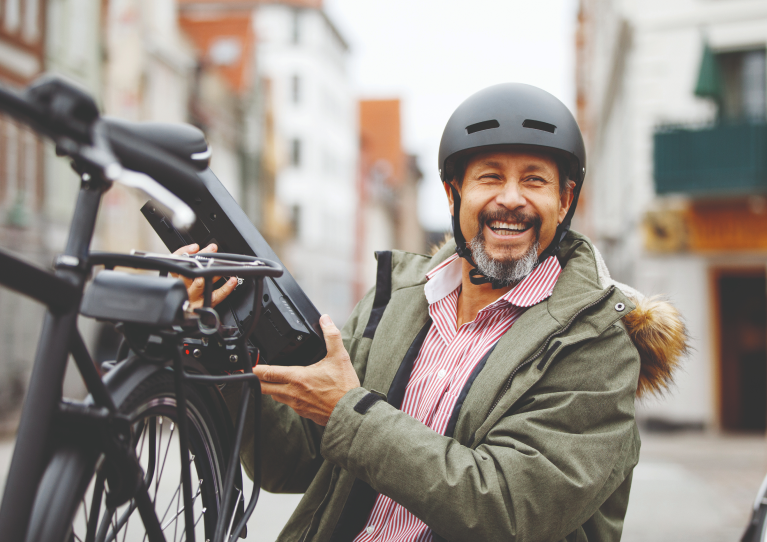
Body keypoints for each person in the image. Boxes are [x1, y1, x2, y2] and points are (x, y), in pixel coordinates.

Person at [177, 83, 687, 542]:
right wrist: (224, 343)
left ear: (565, 198)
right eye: (490, 177)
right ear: (453, 192)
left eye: (534, 180)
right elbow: (291, 461)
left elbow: (510, 509)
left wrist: (347, 413)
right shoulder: (397, 300)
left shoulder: (597, 340)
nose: (511, 199)